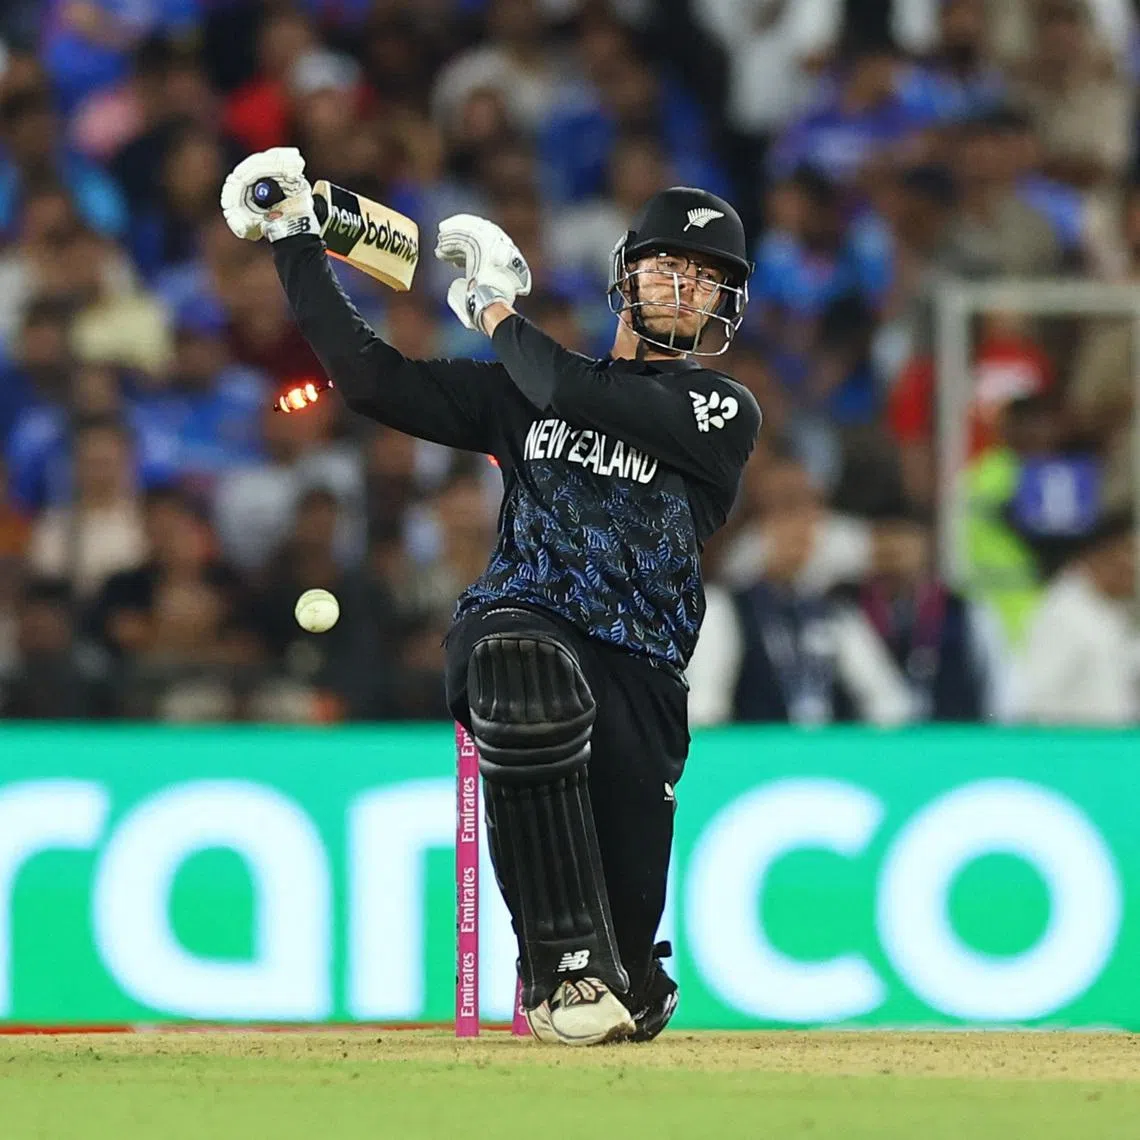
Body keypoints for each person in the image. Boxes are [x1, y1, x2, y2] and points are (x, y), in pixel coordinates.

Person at [220, 146, 761, 1045]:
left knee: (635, 987)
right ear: (629, 277)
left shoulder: (721, 411)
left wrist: (496, 312)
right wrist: (295, 241)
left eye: (705, 279)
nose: (682, 288)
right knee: (518, 657)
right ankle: (565, 970)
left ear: (723, 306)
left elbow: (582, 394)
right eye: (668, 265)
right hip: (527, 619)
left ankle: (616, 967)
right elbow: (370, 379)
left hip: (643, 678)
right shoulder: (524, 389)